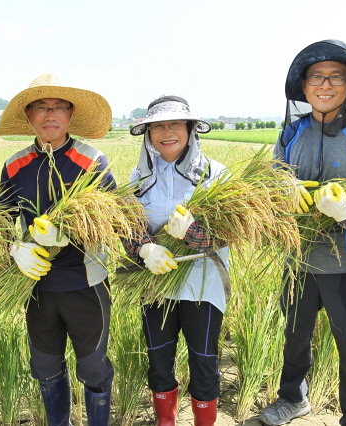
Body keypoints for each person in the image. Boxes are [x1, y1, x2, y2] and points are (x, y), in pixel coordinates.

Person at [259, 40, 346, 426]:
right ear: (304, 86)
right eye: (317, 76)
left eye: (336, 77)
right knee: (295, 337)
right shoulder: (290, 135)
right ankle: (293, 399)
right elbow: (269, 192)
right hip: (299, 259)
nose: (326, 84)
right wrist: (282, 194)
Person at [0, 74, 115, 426]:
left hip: (85, 282)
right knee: (45, 365)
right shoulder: (15, 164)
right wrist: (15, 248)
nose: (51, 115)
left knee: (93, 367)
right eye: (41, 108)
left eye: (59, 107)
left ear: (70, 114)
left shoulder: (92, 160)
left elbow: (113, 220)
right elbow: (2, 220)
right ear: (29, 115)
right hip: (36, 286)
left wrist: (69, 231)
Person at [123, 95, 228, 426]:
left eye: (174, 124)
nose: (166, 132)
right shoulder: (138, 178)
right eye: (157, 127)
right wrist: (144, 249)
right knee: (159, 359)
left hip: (203, 285)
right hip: (155, 285)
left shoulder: (215, 174)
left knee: (204, 360)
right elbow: (125, 227)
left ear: (190, 129)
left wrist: (194, 233)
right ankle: (165, 422)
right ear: (148, 134)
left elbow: (232, 231)